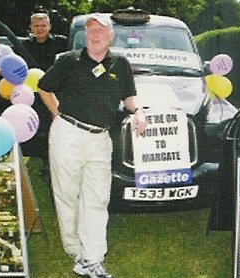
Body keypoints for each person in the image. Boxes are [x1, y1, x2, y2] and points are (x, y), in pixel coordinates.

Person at [37, 14, 146, 278]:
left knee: (97, 197)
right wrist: (57, 115)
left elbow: (128, 96)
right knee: (67, 193)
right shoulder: (68, 61)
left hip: (100, 138)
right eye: (90, 32)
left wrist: (138, 111)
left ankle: (93, 256)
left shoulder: (120, 63)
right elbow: (43, 87)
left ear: (110, 36)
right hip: (68, 134)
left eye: (99, 31)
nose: (94, 35)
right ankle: (75, 250)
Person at [22, 13, 68, 169]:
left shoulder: (62, 43)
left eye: (43, 25)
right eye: (36, 25)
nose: (40, 29)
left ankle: (55, 158)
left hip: (57, 93)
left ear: (49, 26)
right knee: (38, 126)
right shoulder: (23, 46)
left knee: (56, 125)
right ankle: (41, 158)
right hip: (33, 95)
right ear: (31, 27)